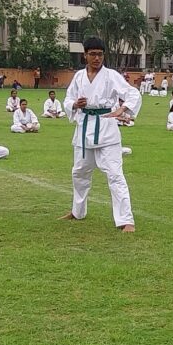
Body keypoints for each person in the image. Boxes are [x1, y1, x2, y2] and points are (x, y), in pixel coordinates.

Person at [60, 37, 141, 231]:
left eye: (100, 54)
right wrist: (74, 104)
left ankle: (125, 220)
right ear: (85, 56)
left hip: (106, 129)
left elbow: (132, 93)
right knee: (79, 172)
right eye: (92, 54)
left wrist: (123, 109)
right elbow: (68, 99)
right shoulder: (79, 76)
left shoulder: (111, 75)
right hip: (84, 127)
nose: (97, 58)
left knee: (114, 174)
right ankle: (77, 211)